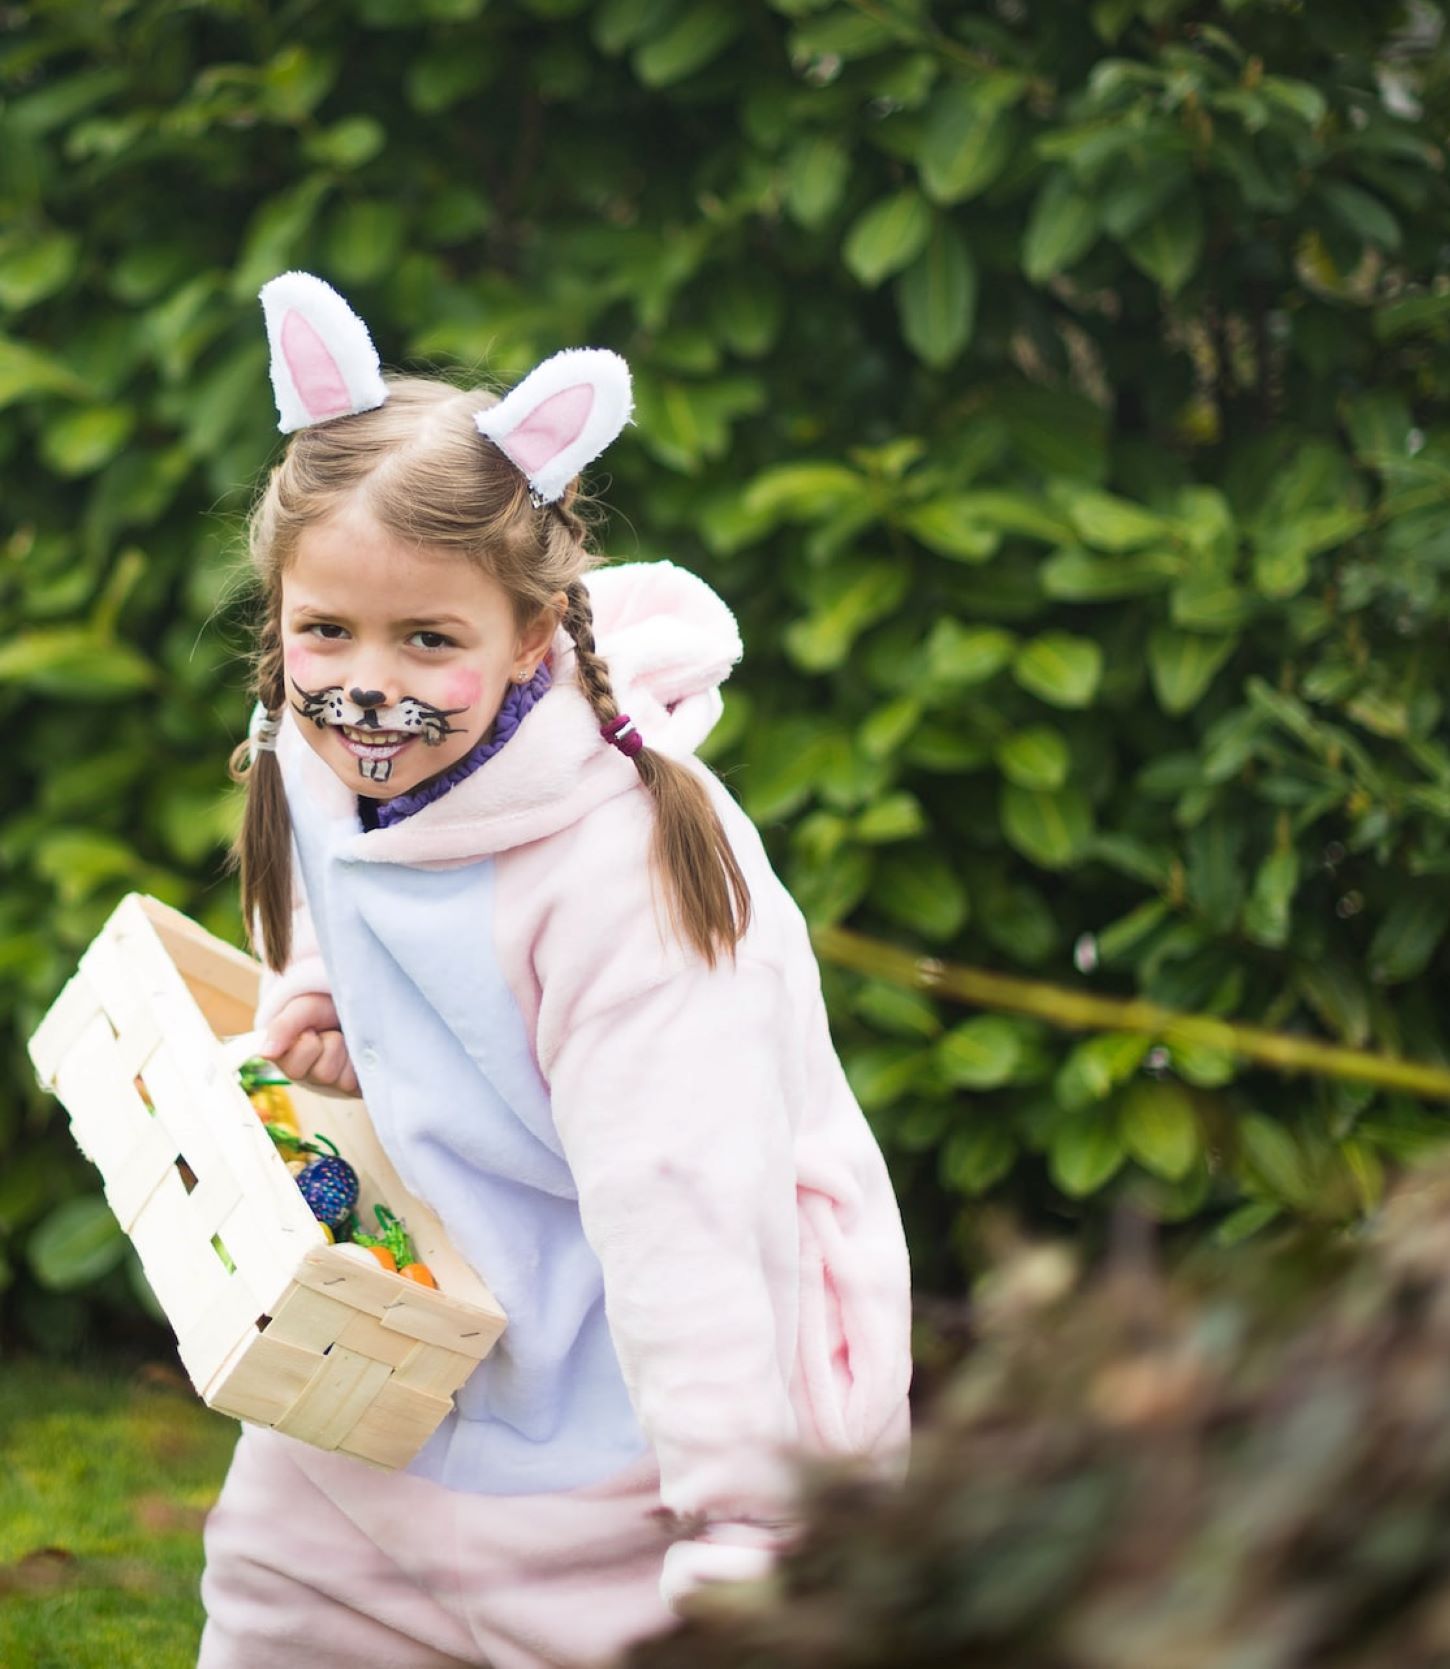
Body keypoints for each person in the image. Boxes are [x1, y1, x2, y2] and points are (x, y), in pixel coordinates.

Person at [195, 271, 912, 1669]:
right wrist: (329, 993)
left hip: (649, 1420)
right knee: (280, 1597)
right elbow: (347, 889)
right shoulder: (327, 752)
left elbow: (688, 1216)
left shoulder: (615, 885)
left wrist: (745, 1529)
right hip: (425, 1358)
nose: (365, 683)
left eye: (428, 641)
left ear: (532, 636)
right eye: (326, 630)